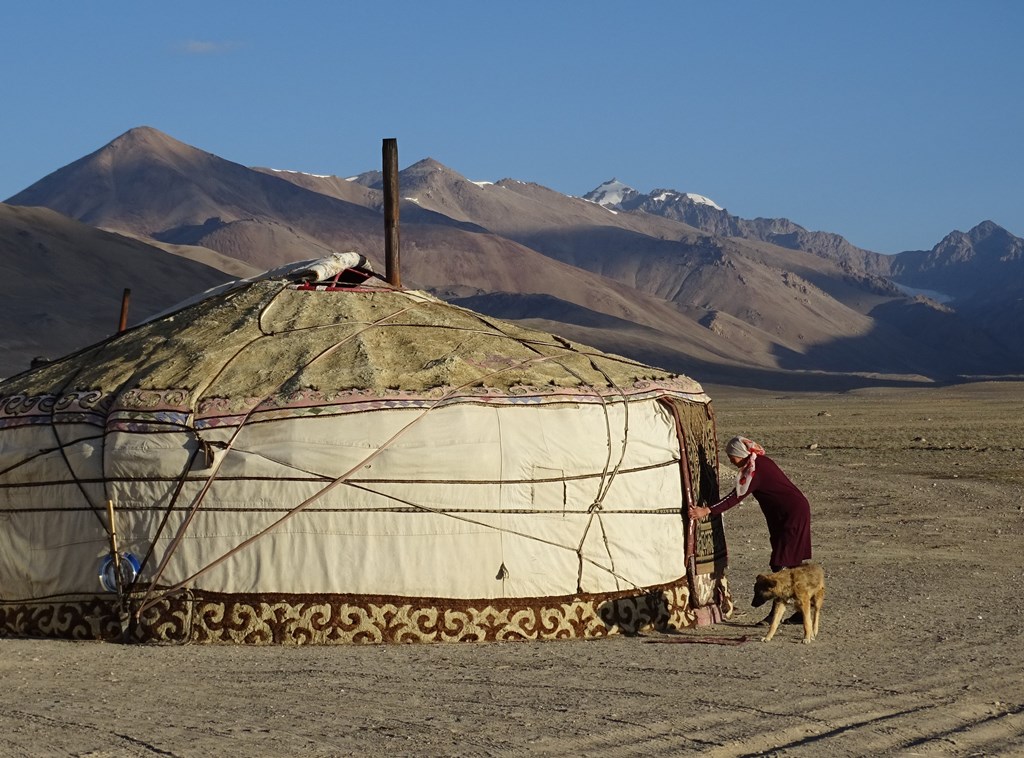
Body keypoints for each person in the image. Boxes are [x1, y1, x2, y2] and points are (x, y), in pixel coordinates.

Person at [687, 436, 812, 623]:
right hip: (785, 515)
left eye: (731, 456)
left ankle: (776, 614)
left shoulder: (756, 470)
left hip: (791, 515)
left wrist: (707, 510)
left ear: (740, 454)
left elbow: (735, 496)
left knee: (780, 564)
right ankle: (802, 611)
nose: (730, 460)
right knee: (791, 564)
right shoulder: (756, 464)